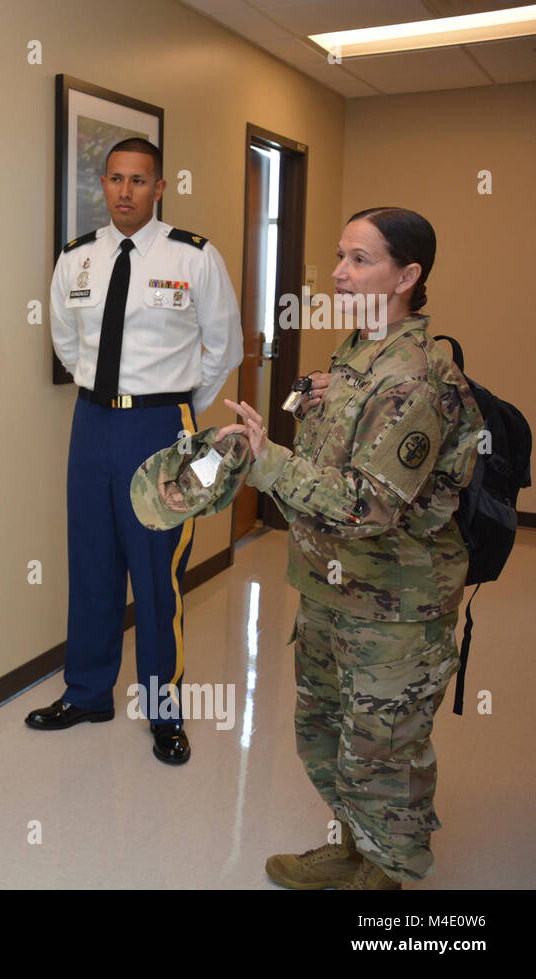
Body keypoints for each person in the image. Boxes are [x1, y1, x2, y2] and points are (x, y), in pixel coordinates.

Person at [219, 207, 482, 890]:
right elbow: (342, 448)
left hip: (393, 607)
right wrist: (312, 402)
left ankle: (385, 875)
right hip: (333, 588)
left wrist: (266, 460)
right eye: (341, 255)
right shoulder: (360, 352)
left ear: (408, 274)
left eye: (360, 259)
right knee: (328, 730)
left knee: (383, 753)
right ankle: (352, 845)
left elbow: (367, 503)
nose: (338, 272)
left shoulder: (413, 377)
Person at [29, 138, 243, 765]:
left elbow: (222, 349)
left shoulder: (195, 257)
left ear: (159, 187)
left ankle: (164, 711)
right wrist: (105, 393)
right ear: (105, 183)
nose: (125, 192)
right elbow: (67, 342)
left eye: (138, 180)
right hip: (92, 424)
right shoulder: (78, 258)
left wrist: (175, 407)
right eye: (115, 179)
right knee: (92, 567)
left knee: (157, 577)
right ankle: (89, 692)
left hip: (161, 428)